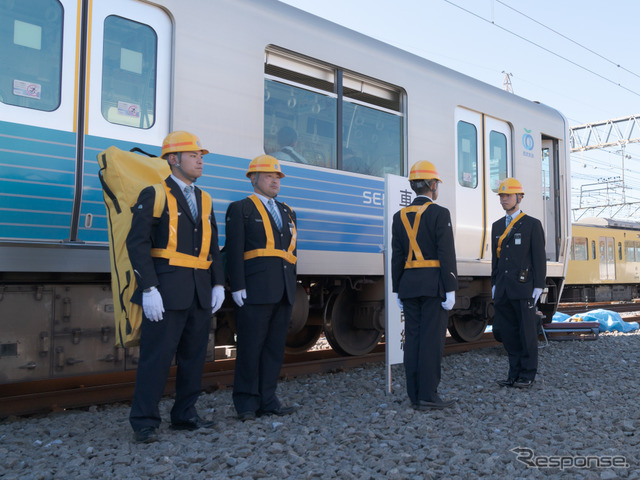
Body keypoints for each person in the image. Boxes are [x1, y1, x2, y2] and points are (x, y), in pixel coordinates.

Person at [126, 131, 225, 443]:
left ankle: (185, 414)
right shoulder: (154, 193)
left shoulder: (204, 199)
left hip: (198, 291)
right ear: (173, 159)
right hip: (166, 291)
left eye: (201, 156)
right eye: (194, 155)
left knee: (195, 357)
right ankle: (144, 422)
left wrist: (219, 283)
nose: (200, 160)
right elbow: (137, 243)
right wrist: (149, 288)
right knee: (156, 358)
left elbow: (213, 248)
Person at [225, 154, 298, 421]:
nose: (275, 181)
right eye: (269, 176)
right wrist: (237, 285)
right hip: (254, 289)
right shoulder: (241, 208)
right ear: (253, 179)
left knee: (274, 348)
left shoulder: (287, 212)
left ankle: (268, 399)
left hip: (282, 290)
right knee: (250, 347)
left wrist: (294, 286)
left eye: (277, 177)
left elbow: (291, 254)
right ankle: (245, 403)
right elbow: (233, 251)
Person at [391, 160, 458, 410]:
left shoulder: (399, 217)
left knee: (414, 340)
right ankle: (428, 395)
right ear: (432, 185)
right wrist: (450, 287)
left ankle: (414, 394)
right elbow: (446, 252)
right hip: (433, 287)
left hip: (409, 286)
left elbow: (397, 255)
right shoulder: (440, 214)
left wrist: (398, 287)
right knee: (431, 342)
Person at [491, 177, 546, 389]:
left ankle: (528, 374)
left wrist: (538, 285)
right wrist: (494, 283)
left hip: (523, 288)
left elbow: (538, 257)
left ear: (519, 198)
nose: (503, 199)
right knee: (509, 333)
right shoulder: (497, 226)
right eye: (501, 196)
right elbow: (496, 259)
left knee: (527, 333)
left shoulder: (532, 224)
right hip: (504, 288)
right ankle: (513, 374)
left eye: (508, 195)